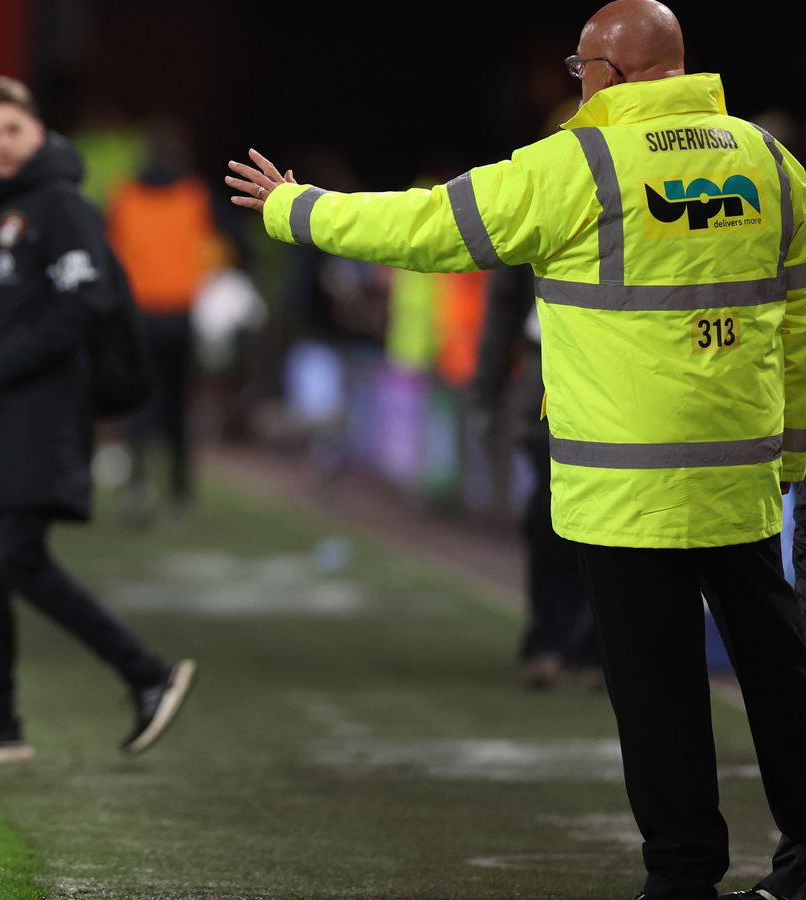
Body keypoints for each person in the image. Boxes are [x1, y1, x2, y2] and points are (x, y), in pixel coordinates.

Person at [227, 2, 806, 898]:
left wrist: (296, 208)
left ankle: (682, 878)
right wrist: (795, 460)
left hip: (627, 492)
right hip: (740, 478)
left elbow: (428, 227)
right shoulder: (769, 162)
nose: (578, 86)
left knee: (659, 699)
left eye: (581, 70)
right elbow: (798, 321)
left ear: (608, 73)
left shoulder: (576, 164)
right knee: (780, 674)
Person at [0, 76, 197, 764]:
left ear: (38, 132)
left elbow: (88, 302)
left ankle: (147, 674)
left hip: (37, 413)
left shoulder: (61, 205)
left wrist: (2, 364)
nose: (2, 143)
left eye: (13, 129)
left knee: (16, 556)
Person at [470, 264, 603, 690]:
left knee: (609, 524)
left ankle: (597, 650)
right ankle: (549, 642)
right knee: (548, 521)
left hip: (611, 379)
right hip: (543, 383)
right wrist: (487, 393)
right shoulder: (534, 204)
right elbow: (503, 307)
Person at [106, 122, 215, 521]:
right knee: (178, 404)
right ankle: (180, 491)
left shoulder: (124, 195)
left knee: (139, 404)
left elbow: (113, 251)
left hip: (139, 313)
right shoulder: (193, 196)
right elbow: (204, 248)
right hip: (179, 313)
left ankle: (137, 488)